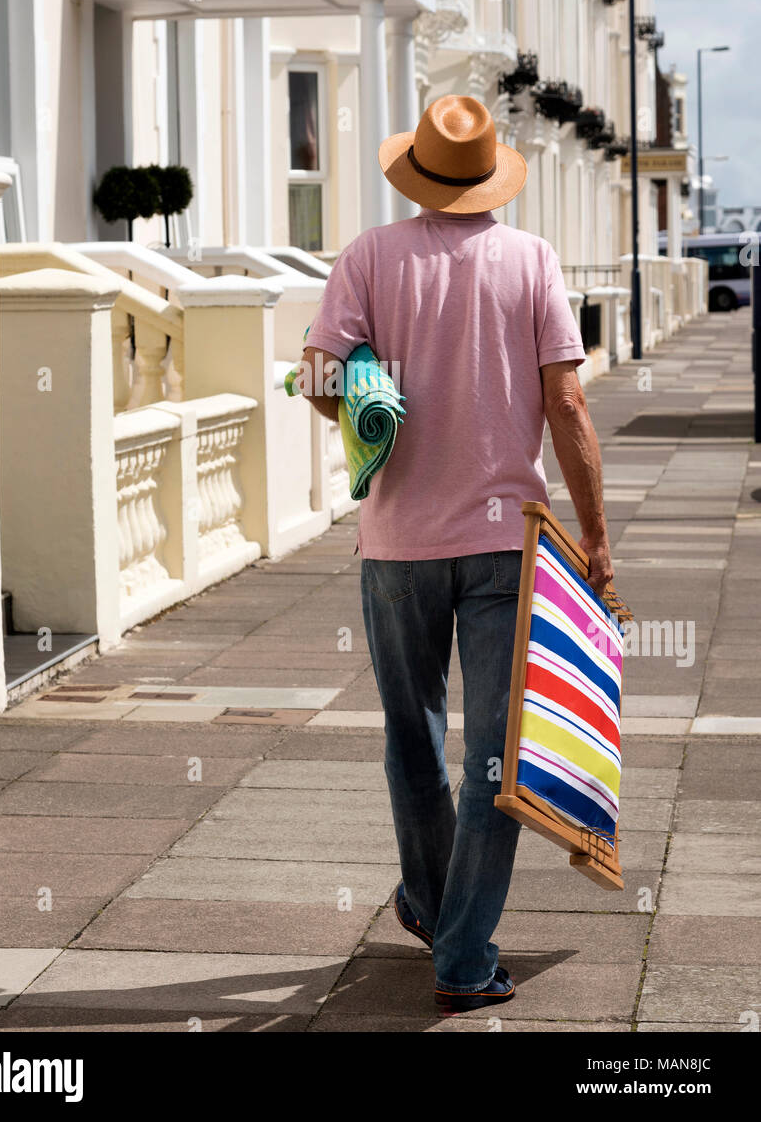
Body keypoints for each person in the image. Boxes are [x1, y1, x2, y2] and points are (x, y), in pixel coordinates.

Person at [300, 95, 613, 1015]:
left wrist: (367, 419)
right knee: (495, 757)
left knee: (413, 737)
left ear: (419, 170)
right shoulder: (530, 260)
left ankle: (436, 913)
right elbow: (568, 406)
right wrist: (594, 533)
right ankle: (461, 951)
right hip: (505, 542)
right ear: (489, 177)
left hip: (396, 542)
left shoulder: (367, 255)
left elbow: (320, 373)